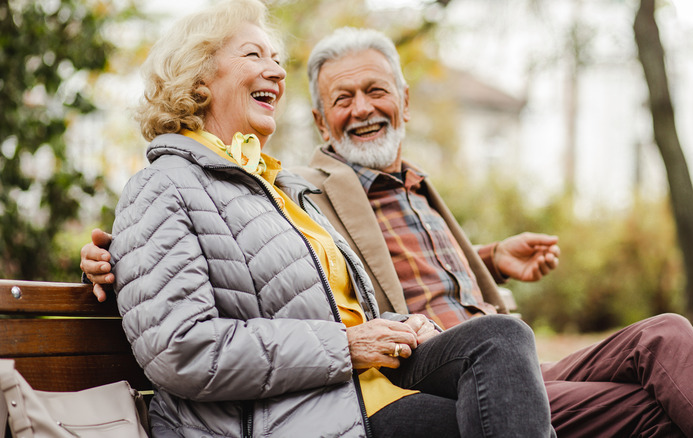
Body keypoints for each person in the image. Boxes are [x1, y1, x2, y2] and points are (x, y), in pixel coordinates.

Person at [83, 22, 693, 438]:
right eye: (340, 99)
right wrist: (112, 262)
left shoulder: (286, 187)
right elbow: (182, 321)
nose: (275, 70)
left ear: (406, 101)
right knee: (611, 397)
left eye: (376, 92)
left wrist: (491, 259)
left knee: (664, 341)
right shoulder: (300, 180)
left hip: (445, 364)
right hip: (386, 383)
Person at [106, 1, 554, 437]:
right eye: (254, 54)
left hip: (361, 388)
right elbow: (181, 351)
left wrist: (400, 325)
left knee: (502, 337)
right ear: (198, 77)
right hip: (292, 413)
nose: (279, 72)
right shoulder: (162, 186)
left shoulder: (277, 188)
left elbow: (327, 309)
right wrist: (349, 345)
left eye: (277, 58)